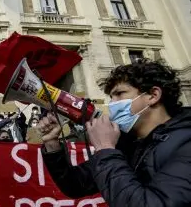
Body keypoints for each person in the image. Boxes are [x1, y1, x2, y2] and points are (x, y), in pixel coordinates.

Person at [40, 59, 191, 206]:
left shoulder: (185, 143)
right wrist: (52, 144)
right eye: (111, 97)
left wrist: (105, 148)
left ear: (153, 95)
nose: (112, 104)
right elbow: (76, 185)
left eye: (120, 93)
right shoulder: (127, 144)